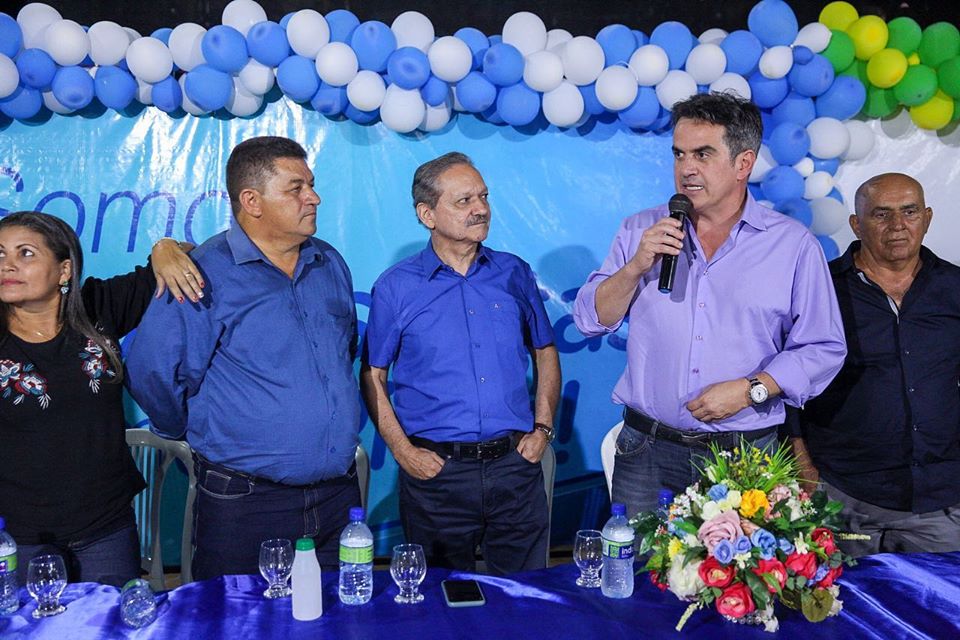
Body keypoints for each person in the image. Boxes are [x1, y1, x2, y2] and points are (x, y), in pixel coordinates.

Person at [573, 92, 847, 518]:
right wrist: (635, 266)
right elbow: (590, 319)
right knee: (638, 561)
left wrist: (752, 389)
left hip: (743, 455)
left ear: (743, 163)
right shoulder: (640, 230)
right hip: (646, 451)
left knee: (735, 563)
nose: (686, 169)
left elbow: (823, 347)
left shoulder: (792, 245)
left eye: (703, 154)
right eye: (679, 154)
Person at [126, 136, 362, 579]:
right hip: (245, 503)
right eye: (296, 188)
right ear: (251, 201)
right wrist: (180, 428)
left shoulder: (328, 261)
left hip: (337, 498)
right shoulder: (202, 273)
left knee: (336, 612)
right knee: (238, 613)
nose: (313, 197)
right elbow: (152, 371)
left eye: (311, 185)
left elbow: (343, 349)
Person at [361, 152, 560, 576]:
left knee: (525, 598)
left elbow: (545, 350)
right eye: (464, 200)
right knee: (438, 599)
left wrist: (543, 429)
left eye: (483, 196)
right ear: (427, 214)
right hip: (437, 478)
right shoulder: (396, 288)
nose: (481, 209)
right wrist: (403, 451)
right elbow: (373, 375)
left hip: (515, 470)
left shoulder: (514, 273)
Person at [0, 210, 201, 587]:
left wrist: (163, 247)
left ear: (64, 270)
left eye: (25, 253)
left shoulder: (97, 307)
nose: (7, 265)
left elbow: (184, 256)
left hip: (106, 530)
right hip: (20, 537)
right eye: (0, 254)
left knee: (110, 619)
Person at [793, 173, 960, 556]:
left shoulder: (954, 287)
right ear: (856, 224)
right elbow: (788, 388)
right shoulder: (820, 289)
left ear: (927, 218)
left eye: (910, 212)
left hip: (940, 499)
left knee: (937, 596)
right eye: (881, 214)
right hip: (842, 495)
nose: (898, 225)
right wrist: (805, 471)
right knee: (838, 596)